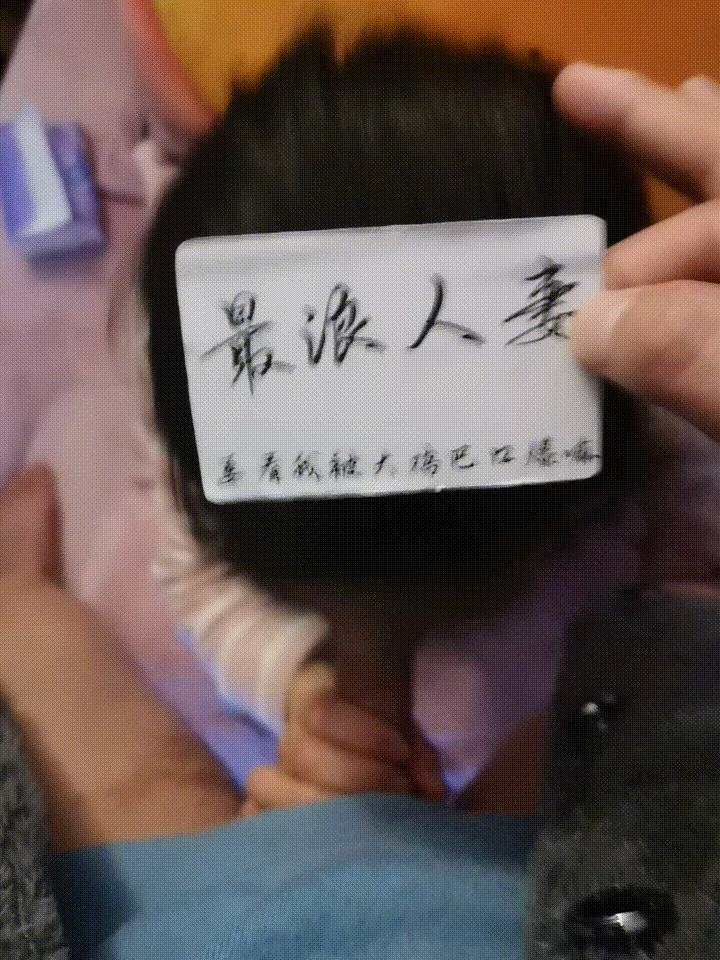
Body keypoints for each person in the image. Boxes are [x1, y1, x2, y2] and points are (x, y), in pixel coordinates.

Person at [0, 51, 718, 959]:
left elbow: (685, 511)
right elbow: (198, 572)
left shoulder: (653, 387)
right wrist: (297, 681)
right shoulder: (206, 357)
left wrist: (674, 587)